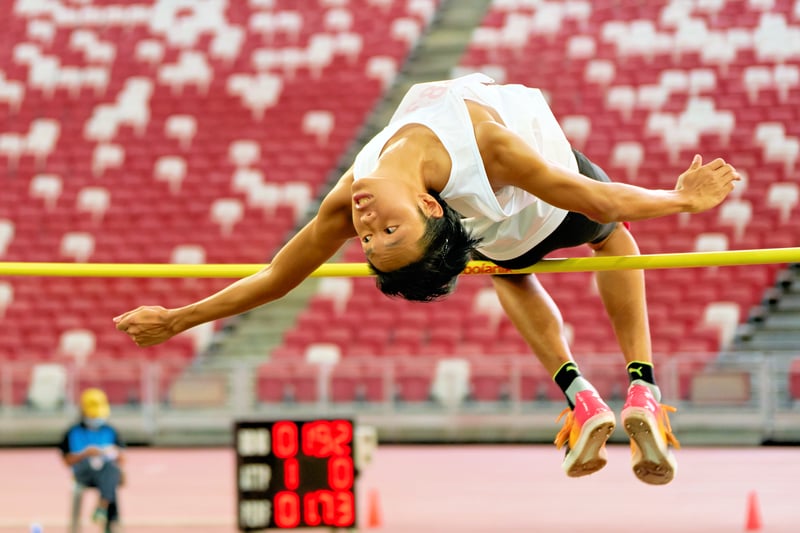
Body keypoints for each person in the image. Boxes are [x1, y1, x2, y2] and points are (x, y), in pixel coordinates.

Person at [114, 73, 740, 485]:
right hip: (556, 213)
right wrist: (680, 200)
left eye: (370, 239)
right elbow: (591, 198)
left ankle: (581, 398)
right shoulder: (488, 148)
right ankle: (642, 390)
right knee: (614, 243)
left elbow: (280, 277)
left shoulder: (354, 189)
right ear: (430, 206)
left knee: (509, 276)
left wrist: (179, 318)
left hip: (504, 238)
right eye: (389, 231)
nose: (367, 225)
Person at [59, 388, 125, 532]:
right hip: (83, 473)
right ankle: (107, 514)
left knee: (110, 470)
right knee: (110, 476)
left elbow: (122, 458)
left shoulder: (110, 431)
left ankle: (104, 511)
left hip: (105, 473)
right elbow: (66, 461)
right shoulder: (73, 432)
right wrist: (85, 454)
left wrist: (111, 452)